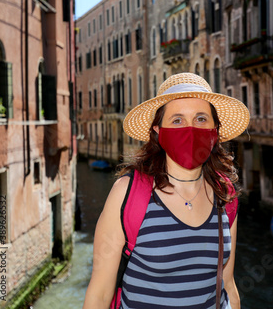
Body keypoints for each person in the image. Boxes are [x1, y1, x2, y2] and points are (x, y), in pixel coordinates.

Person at [83, 72, 250, 309]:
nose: (191, 128)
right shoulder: (127, 193)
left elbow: (228, 283)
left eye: (201, 118)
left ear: (216, 130)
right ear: (158, 131)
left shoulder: (225, 194)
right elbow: (99, 295)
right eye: (177, 120)